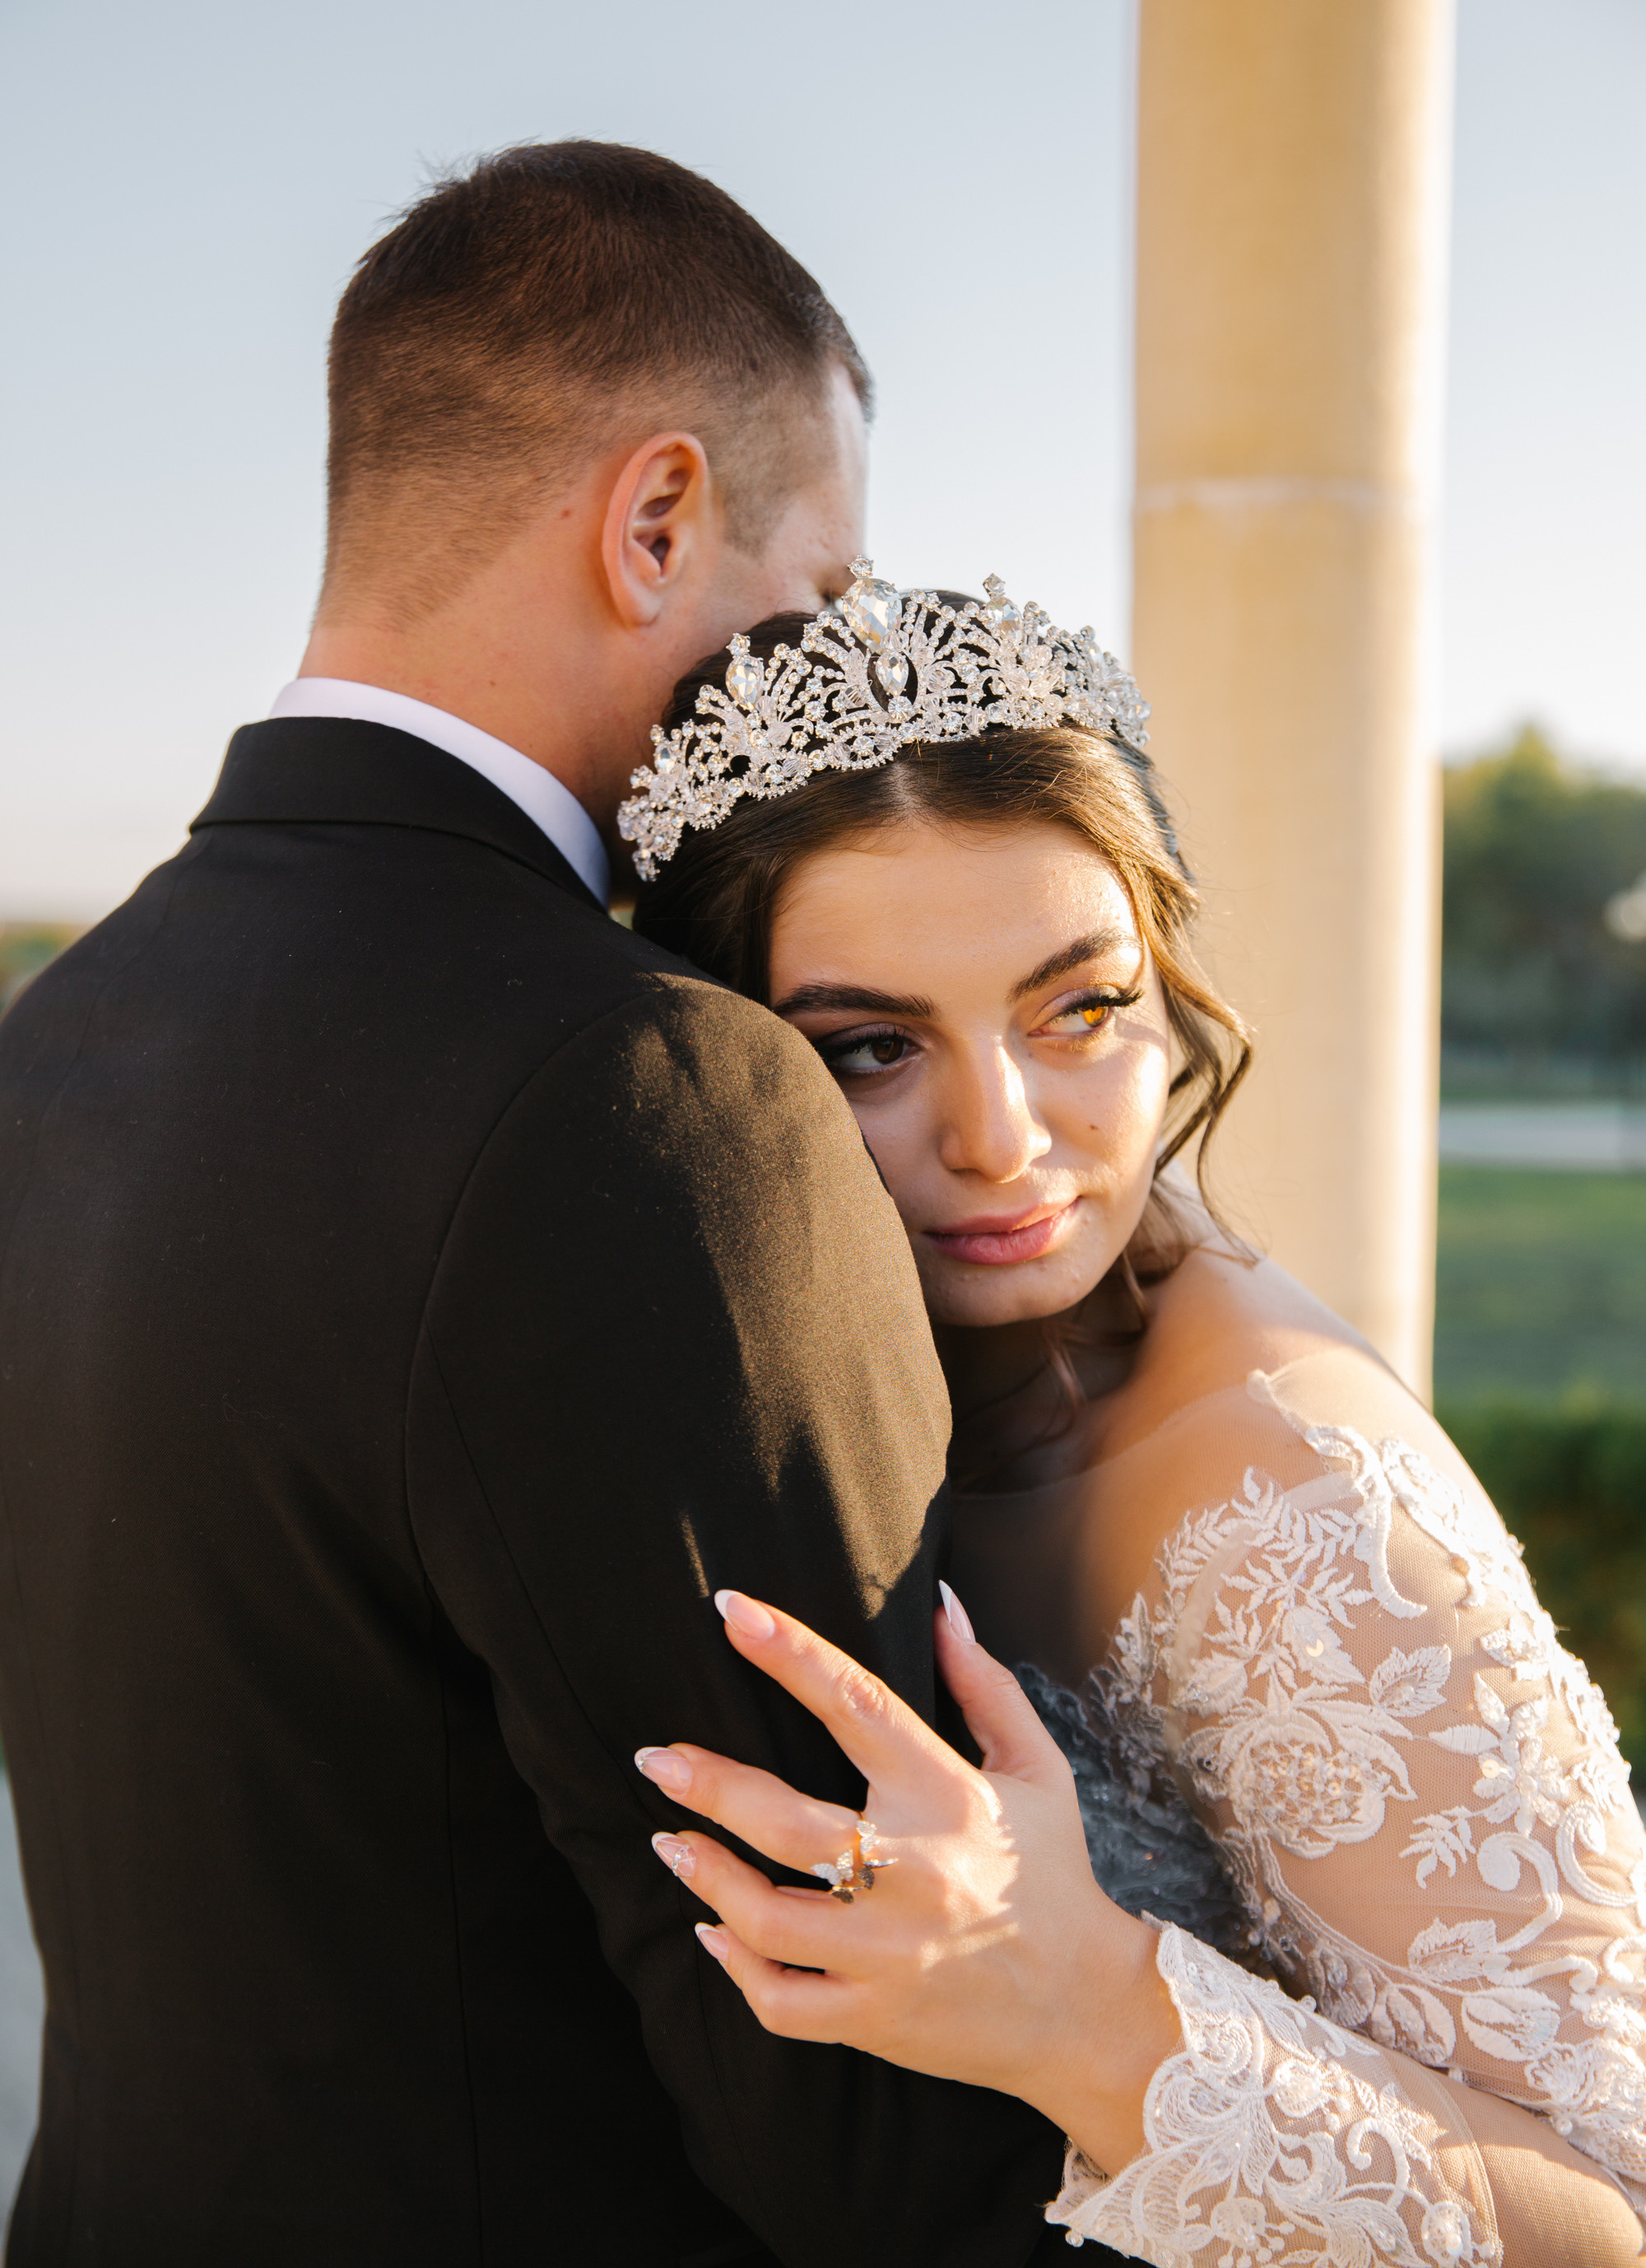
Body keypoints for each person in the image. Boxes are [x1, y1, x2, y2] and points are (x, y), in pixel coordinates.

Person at [0, 155, 1076, 2266]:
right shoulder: (644, 1085)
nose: (812, 685)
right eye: (816, 598)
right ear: (653, 518)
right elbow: (858, 2102)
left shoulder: (61, 1038)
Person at [624, 565, 1646, 2266]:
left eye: (1077, 1007)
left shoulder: (1284, 1486)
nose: (1003, 1137)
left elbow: (1610, 2221)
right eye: (873, 1049)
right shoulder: (856, 1375)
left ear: (1165, 995)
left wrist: (1081, 2010)